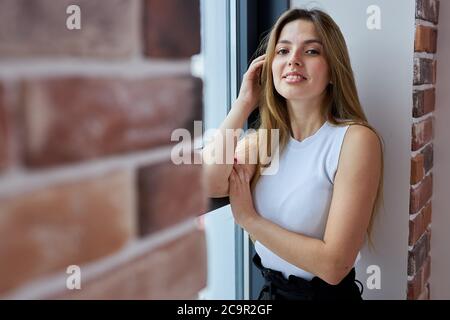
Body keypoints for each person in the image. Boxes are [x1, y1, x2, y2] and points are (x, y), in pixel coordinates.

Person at [203, 8, 383, 300]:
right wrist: (243, 104)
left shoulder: (354, 140)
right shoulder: (262, 143)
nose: (293, 60)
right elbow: (210, 181)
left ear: (334, 70)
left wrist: (249, 220)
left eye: (311, 51)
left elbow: (334, 265)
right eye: (283, 50)